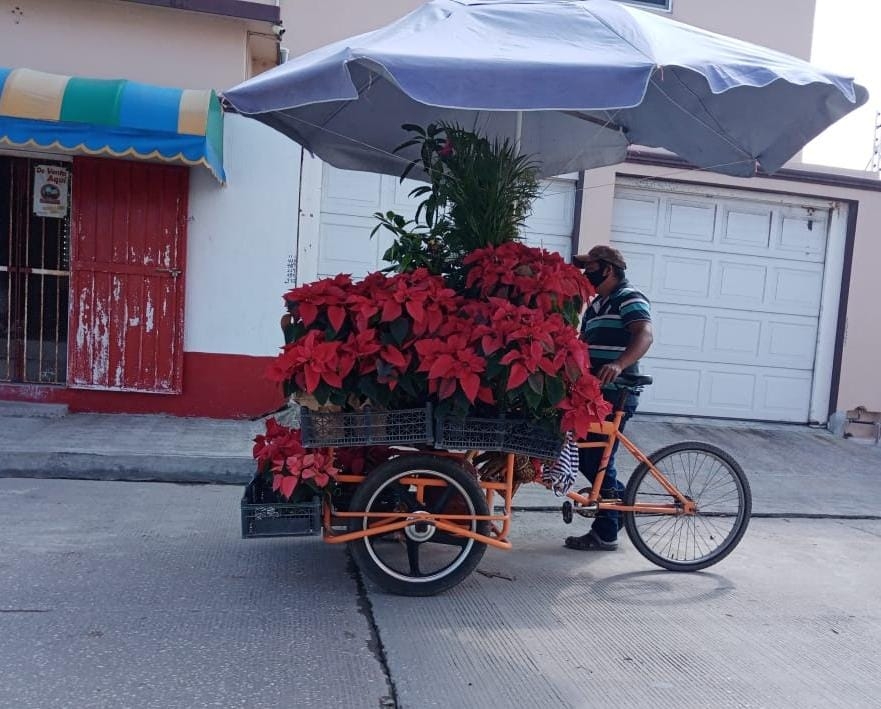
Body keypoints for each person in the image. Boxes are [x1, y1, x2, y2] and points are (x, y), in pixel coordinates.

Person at [565, 245, 653, 551]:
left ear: (609, 269)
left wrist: (618, 364)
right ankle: (619, 505)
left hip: (617, 393)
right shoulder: (596, 305)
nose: (586, 273)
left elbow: (644, 333)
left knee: (600, 462)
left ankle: (606, 532)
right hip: (592, 395)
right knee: (588, 458)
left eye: (591, 267)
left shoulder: (629, 297)